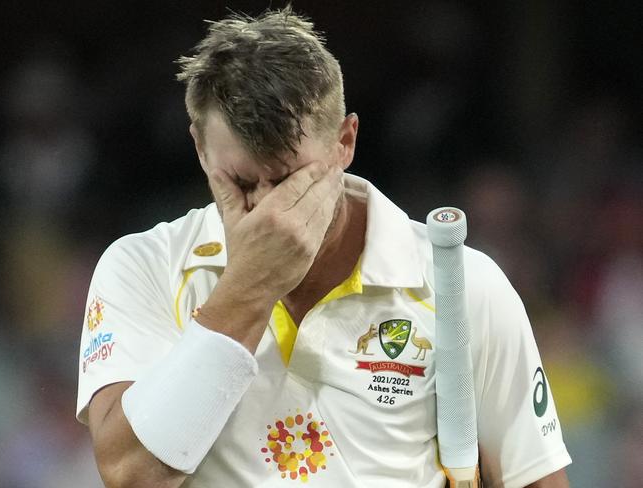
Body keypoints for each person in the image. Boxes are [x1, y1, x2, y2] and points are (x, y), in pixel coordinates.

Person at [76, 6, 571, 488]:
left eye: (291, 179)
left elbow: (539, 480)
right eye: (243, 183)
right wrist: (251, 285)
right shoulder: (143, 266)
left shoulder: (462, 284)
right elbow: (130, 475)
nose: (272, 215)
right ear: (202, 149)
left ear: (344, 141)